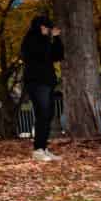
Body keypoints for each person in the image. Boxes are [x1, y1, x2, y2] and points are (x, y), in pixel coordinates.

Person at [20, 16, 64, 161]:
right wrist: (48, 39)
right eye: (45, 27)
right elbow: (40, 54)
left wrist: (56, 39)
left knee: (48, 115)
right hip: (36, 82)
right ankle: (38, 150)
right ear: (39, 27)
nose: (47, 30)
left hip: (47, 82)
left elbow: (57, 55)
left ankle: (43, 148)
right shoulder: (30, 40)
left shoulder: (45, 41)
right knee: (42, 114)